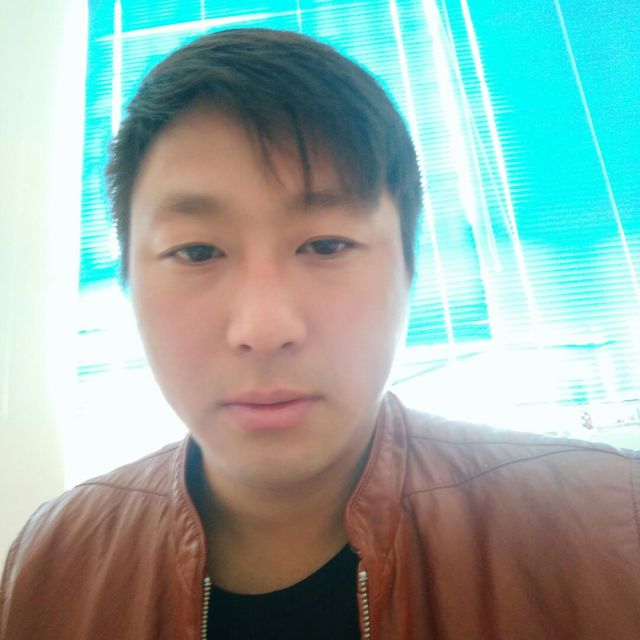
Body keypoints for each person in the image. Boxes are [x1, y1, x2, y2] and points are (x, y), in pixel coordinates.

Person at [1, 27, 639, 640]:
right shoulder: (54, 564)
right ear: (127, 280)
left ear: (409, 267)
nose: (264, 329)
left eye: (326, 244)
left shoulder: (610, 530)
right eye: (196, 251)